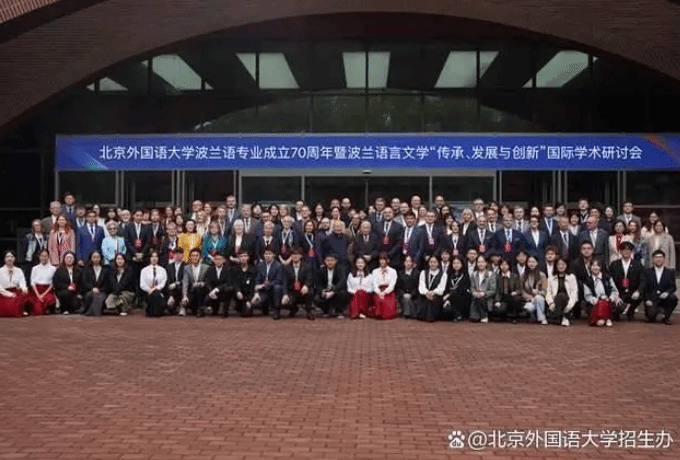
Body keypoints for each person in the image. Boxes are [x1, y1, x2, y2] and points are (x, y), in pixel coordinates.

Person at [609, 241, 645, 321]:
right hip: (619, 292)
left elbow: (643, 280)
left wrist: (638, 291)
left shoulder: (637, 264)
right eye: (624, 250)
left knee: (641, 294)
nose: (626, 252)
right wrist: (614, 294)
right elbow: (609, 280)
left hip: (632, 292)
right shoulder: (614, 264)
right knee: (618, 308)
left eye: (628, 250)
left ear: (632, 252)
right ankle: (616, 313)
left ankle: (631, 311)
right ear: (620, 251)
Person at [643, 250, 677, 325]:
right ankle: (656, 311)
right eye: (656, 257)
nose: (658, 259)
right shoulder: (647, 272)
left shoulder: (670, 272)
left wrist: (667, 292)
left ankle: (666, 317)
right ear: (653, 259)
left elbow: (673, 287)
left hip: (664, 298)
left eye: (660, 257)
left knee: (673, 298)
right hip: (652, 299)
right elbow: (645, 288)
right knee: (651, 316)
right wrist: (647, 299)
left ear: (664, 259)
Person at [251, 246, 285, 319]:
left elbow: (278, 280)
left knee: (277, 288)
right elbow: (257, 279)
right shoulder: (260, 265)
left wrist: (265, 285)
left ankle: (276, 310)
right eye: (266, 254)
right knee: (254, 304)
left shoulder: (278, 266)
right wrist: (256, 291)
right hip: (263, 291)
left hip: (273, 289)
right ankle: (264, 307)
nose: (268, 255)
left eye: (270, 254)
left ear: (273, 255)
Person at [583, 259, 619, 327]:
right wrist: (596, 300)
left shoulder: (607, 277)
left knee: (605, 302)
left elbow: (614, 291)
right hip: (595, 303)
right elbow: (587, 296)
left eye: (597, 266)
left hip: (608, 301)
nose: (595, 268)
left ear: (601, 267)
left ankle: (602, 318)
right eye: (593, 265)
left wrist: (610, 298)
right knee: (600, 303)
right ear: (590, 267)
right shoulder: (587, 281)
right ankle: (606, 318)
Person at [281, 247, 315, 320]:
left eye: (297, 254)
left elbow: (309, 279)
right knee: (283, 300)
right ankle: (294, 309)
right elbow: (284, 282)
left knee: (310, 291)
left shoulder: (307, 267)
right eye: (293, 254)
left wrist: (306, 286)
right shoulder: (286, 268)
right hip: (292, 291)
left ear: (301, 256)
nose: (295, 256)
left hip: (302, 290)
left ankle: (309, 311)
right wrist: (285, 294)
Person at [545, 258, 578, 326]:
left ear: (566, 265)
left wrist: (569, 306)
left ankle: (559, 317)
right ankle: (563, 317)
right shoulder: (551, 277)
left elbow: (574, 294)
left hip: (567, 303)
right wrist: (551, 303)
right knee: (559, 296)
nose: (561, 266)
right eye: (559, 264)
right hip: (555, 303)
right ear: (556, 266)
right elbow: (548, 292)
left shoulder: (572, 277)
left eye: (563, 264)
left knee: (562, 295)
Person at [314, 253, 348, 318]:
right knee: (316, 298)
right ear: (325, 261)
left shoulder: (340, 269)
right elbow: (318, 284)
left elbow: (342, 282)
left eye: (332, 260)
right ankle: (326, 311)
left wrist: (333, 291)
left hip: (336, 291)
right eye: (328, 260)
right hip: (325, 291)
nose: (330, 262)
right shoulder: (321, 270)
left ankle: (339, 311)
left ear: (336, 261)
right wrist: (323, 291)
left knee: (343, 293)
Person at [0, 250, 31, 317]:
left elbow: (22, 282)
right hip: (4, 293)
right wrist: (9, 294)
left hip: (15, 292)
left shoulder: (19, 270)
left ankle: (21, 310)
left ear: (14, 258)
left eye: (12, 257)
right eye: (7, 257)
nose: (10, 259)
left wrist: (24, 289)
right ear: (4, 259)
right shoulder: (0, 271)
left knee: (25, 296)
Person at [417, 255, 447, 322]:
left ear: (438, 263)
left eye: (435, 262)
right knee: (424, 300)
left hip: (436, 295)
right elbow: (421, 285)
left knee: (433, 300)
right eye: (431, 262)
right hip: (425, 295)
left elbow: (441, 287)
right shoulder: (423, 272)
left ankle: (432, 317)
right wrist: (426, 292)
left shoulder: (443, 274)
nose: (433, 264)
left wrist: (433, 292)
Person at [469, 254, 497, 323]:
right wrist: (474, 293)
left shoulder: (491, 274)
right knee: (474, 319)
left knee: (481, 299)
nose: (480, 264)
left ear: (486, 263)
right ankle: (479, 315)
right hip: (476, 298)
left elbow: (493, 290)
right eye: (479, 262)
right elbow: (472, 287)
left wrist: (484, 293)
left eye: (482, 262)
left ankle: (484, 315)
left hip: (486, 298)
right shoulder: (474, 274)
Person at [181, 248, 209, 317]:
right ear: (190, 257)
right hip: (192, 291)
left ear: (200, 257)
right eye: (193, 256)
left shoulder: (206, 268)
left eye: (197, 255)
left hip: (202, 292)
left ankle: (200, 309)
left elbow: (208, 282)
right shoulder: (186, 268)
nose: (195, 257)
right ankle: (186, 307)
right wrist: (184, 296)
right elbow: (185, 282)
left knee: (199, 289)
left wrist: (201, 283)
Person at [493, 258, 522, 323]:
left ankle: (514, 317)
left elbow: (519, 289)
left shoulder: (514, 276)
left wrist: (515, 292)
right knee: (499, 310)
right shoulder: (497, 277)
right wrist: (497, 300)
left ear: (509, 266)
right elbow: (496, 290)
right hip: (502, 297)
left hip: (512, 296)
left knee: (516, 299)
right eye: (502, 265)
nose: (504, 266)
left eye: (506, 265)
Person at [80, 250, 109, 316]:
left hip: (102, 291)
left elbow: (108, 284)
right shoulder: (86, 269)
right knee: (90, 295)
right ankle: (90, 310)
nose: (96, 259)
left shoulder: (105, 270)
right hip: (89, 290)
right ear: (91, 258)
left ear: (101, 258)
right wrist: (92, 289)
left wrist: (99, 290)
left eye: (98, 257)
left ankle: (93, 312)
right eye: (94, 257)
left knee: (99, 295)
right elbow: (84, 282)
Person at [520, 255, 548, 324]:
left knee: (538, 298)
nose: (531, 264)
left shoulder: (542, 275)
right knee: (528, 308)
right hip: (529, 300)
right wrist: (530, 298)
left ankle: (541, 318)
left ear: (537, 263)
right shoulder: (523, 276)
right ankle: (534, 315)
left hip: (540, 299)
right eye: (529, 262)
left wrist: (538, 293)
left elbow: (545, 291)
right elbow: (522, 291)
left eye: (533, 262)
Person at [29, 249, 57, 315]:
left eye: (45, 256)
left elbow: (52, 283)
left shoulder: (53, 269)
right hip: (37, 290)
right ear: (39, 257)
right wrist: (38, 295)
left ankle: (48, 308)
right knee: (38, 311)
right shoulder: (34, 268)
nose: (44, 258)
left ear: (48, 257)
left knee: (50, 300)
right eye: (42, 256)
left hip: (47, 290)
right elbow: (32, 282)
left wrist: (43, 294)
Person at [139, 250, 167, 317]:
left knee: (156, 294)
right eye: (152, 257)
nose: (154, 259)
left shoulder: (163, 270)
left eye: (156, 257)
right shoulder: (144, 270)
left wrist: (155, 289)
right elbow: (142, 284)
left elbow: (163, 282)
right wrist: (150, 290)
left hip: (159, 292)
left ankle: (155, 312)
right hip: (148, 293)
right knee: (153, 295)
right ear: (149, 258)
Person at [443, 256, 471, 322]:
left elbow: (464, 288)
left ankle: (457, 314)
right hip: (450, 296)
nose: (456, 265)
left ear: (462, 264)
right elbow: (447, 287)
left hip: (462, 297)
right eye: (454, 263)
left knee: (455, 294)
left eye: (458, 263)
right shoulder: (449, 275)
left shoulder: (465, 274)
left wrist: (449, 298)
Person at [371, 253, 398, 320]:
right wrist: (379, 292)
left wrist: (385, 292)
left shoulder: (393, 271)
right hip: (378, 291)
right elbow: (374, 284)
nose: (382, 261)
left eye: (384, 259)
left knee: (389, 315)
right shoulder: (375, 271)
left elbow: (392, 285)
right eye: (381, 259)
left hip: (388, 292)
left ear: (387, 260)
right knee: (379, 301)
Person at [232, 251, 257, 317]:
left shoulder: (253, 270)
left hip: (248, 295)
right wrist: (238, 291)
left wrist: (248, 300)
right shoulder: (234, 269)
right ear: (238, 258)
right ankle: (237, 306)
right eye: (241, 256)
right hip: (238, 295)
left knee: (246, 314)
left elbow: (252, 287)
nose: (243, 258)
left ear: (248, 258)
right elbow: (234, 282)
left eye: (245, 256)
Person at [397, 255, 419, 319]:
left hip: (414, 296)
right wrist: (403, 294)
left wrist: (411, 294)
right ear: (404, 263)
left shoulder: (417, 273)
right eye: (406, 261)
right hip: (403, 295)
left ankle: (407, 314)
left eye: (409, 261)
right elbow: (398, 287)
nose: (408, 263)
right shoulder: (400, 273)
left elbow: (417, 286)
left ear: (412, 263)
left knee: (408, 299)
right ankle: (409, 314)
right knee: (405, 299)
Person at [165, 247, 185, 314]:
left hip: (182, 289)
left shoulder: (186, 266)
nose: (178, 256)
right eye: (176, 254)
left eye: (179, 254)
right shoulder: (169, 267)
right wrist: (170, 295)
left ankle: (182, 306)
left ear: (182, 255)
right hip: (172, 290)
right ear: (173, 255)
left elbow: (186, 280)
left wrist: (176, 284)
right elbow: (167, 280)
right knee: (170, 310)